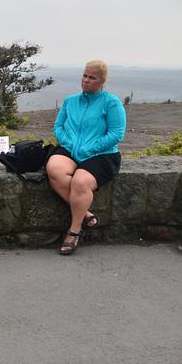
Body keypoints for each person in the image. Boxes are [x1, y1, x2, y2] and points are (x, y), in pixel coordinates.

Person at [46, 60, 126, 255]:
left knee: (80, 182)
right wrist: (70, 144)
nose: (86, 80)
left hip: (102, 153)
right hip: (72, 150)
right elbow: (58, 127)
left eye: (92, 77)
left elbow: (116, 133)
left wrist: (91, 148)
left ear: (102, 82)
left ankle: (74, 231)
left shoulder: (111, 102)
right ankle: (86, 214)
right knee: (54, 169)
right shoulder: (70, 101)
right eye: (85, 76)